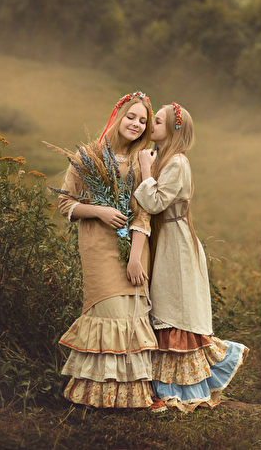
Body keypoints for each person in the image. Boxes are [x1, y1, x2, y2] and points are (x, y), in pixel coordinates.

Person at [135, 102, 249, 412]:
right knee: (165, 307)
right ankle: (164, 387)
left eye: (158, 121)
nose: (152, 124)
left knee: (175, 310)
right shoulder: (161, 158)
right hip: (165, 240)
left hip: (176, 245)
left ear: (173, 130)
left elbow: (155, 203)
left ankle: (182, 389)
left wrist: (145, 171)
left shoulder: (177, 162)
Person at [56, 92, 163, 410]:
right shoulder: (88, 156)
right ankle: (98, 395)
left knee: (131, 316)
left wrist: (135, 258)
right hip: (98, 248)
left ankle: (131, 397)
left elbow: (144, 212)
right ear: (118, 117)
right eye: (131, 116)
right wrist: (99, 212)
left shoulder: (143, 161)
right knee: (109, 313)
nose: (136, 124)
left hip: (134, 251)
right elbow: (65, 203)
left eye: (143, 121)